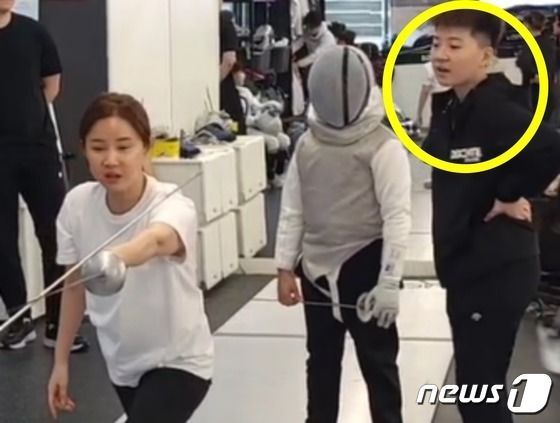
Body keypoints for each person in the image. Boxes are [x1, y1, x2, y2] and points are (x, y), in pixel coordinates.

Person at [423, 10, 560, 422]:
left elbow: (550, 150)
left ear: (485, 56)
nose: (440, 55)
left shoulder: (496, 109)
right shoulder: (451, 108)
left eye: (454, 45)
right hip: (463, 264)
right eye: (436, 44)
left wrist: (511, 194)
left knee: (479, 394)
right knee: (476, 391)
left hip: (495, 266)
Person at [47, 94, 214, 422]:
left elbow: (156, 240)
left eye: (124, 147)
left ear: (145, 147)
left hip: (179, 362)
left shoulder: (171, 203)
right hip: (123, 366)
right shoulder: (77, 206)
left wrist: (113, 257)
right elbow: (74, 287)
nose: (111, 160)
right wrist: (61, 362)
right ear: (84, 149)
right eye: (98, 148)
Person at [275, 45, 411, 423]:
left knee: (378, 365)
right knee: (320, 362)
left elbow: (397, 217)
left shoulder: (383, 145)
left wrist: (389, 280)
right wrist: (285, 268)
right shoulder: (307, 144)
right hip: (315, 270)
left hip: (364, 267)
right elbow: (293, 208)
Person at [0, 0, 88, 351]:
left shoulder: (34, 33)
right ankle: (18, 318)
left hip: (37, 148)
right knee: (2, 238)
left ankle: (57, 322)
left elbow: (51, 86)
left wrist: (27, 116)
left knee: (55, 233)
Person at [516, 11, 557, 122]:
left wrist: (534, 75)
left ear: (527, 25)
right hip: (547, 89)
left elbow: (524, 63)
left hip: (535, 90)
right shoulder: (548, 42)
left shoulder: (531, 44)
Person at [220, 9, 246, 135]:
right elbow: (230, 61)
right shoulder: (225, 21)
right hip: (225, 89)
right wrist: (215, 82)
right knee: (235, 132)